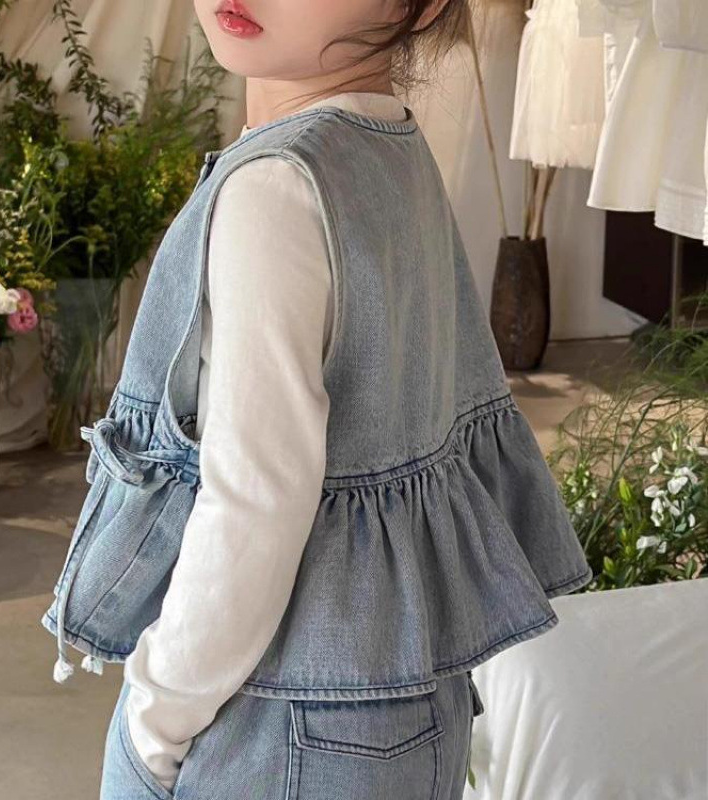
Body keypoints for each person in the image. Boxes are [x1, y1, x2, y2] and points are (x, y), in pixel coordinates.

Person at [61, 1, 594, 797]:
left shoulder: (275, 188)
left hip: (283, 722)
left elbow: (256, 500)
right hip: (409, 704)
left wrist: (156, 716)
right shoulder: (391, 147)